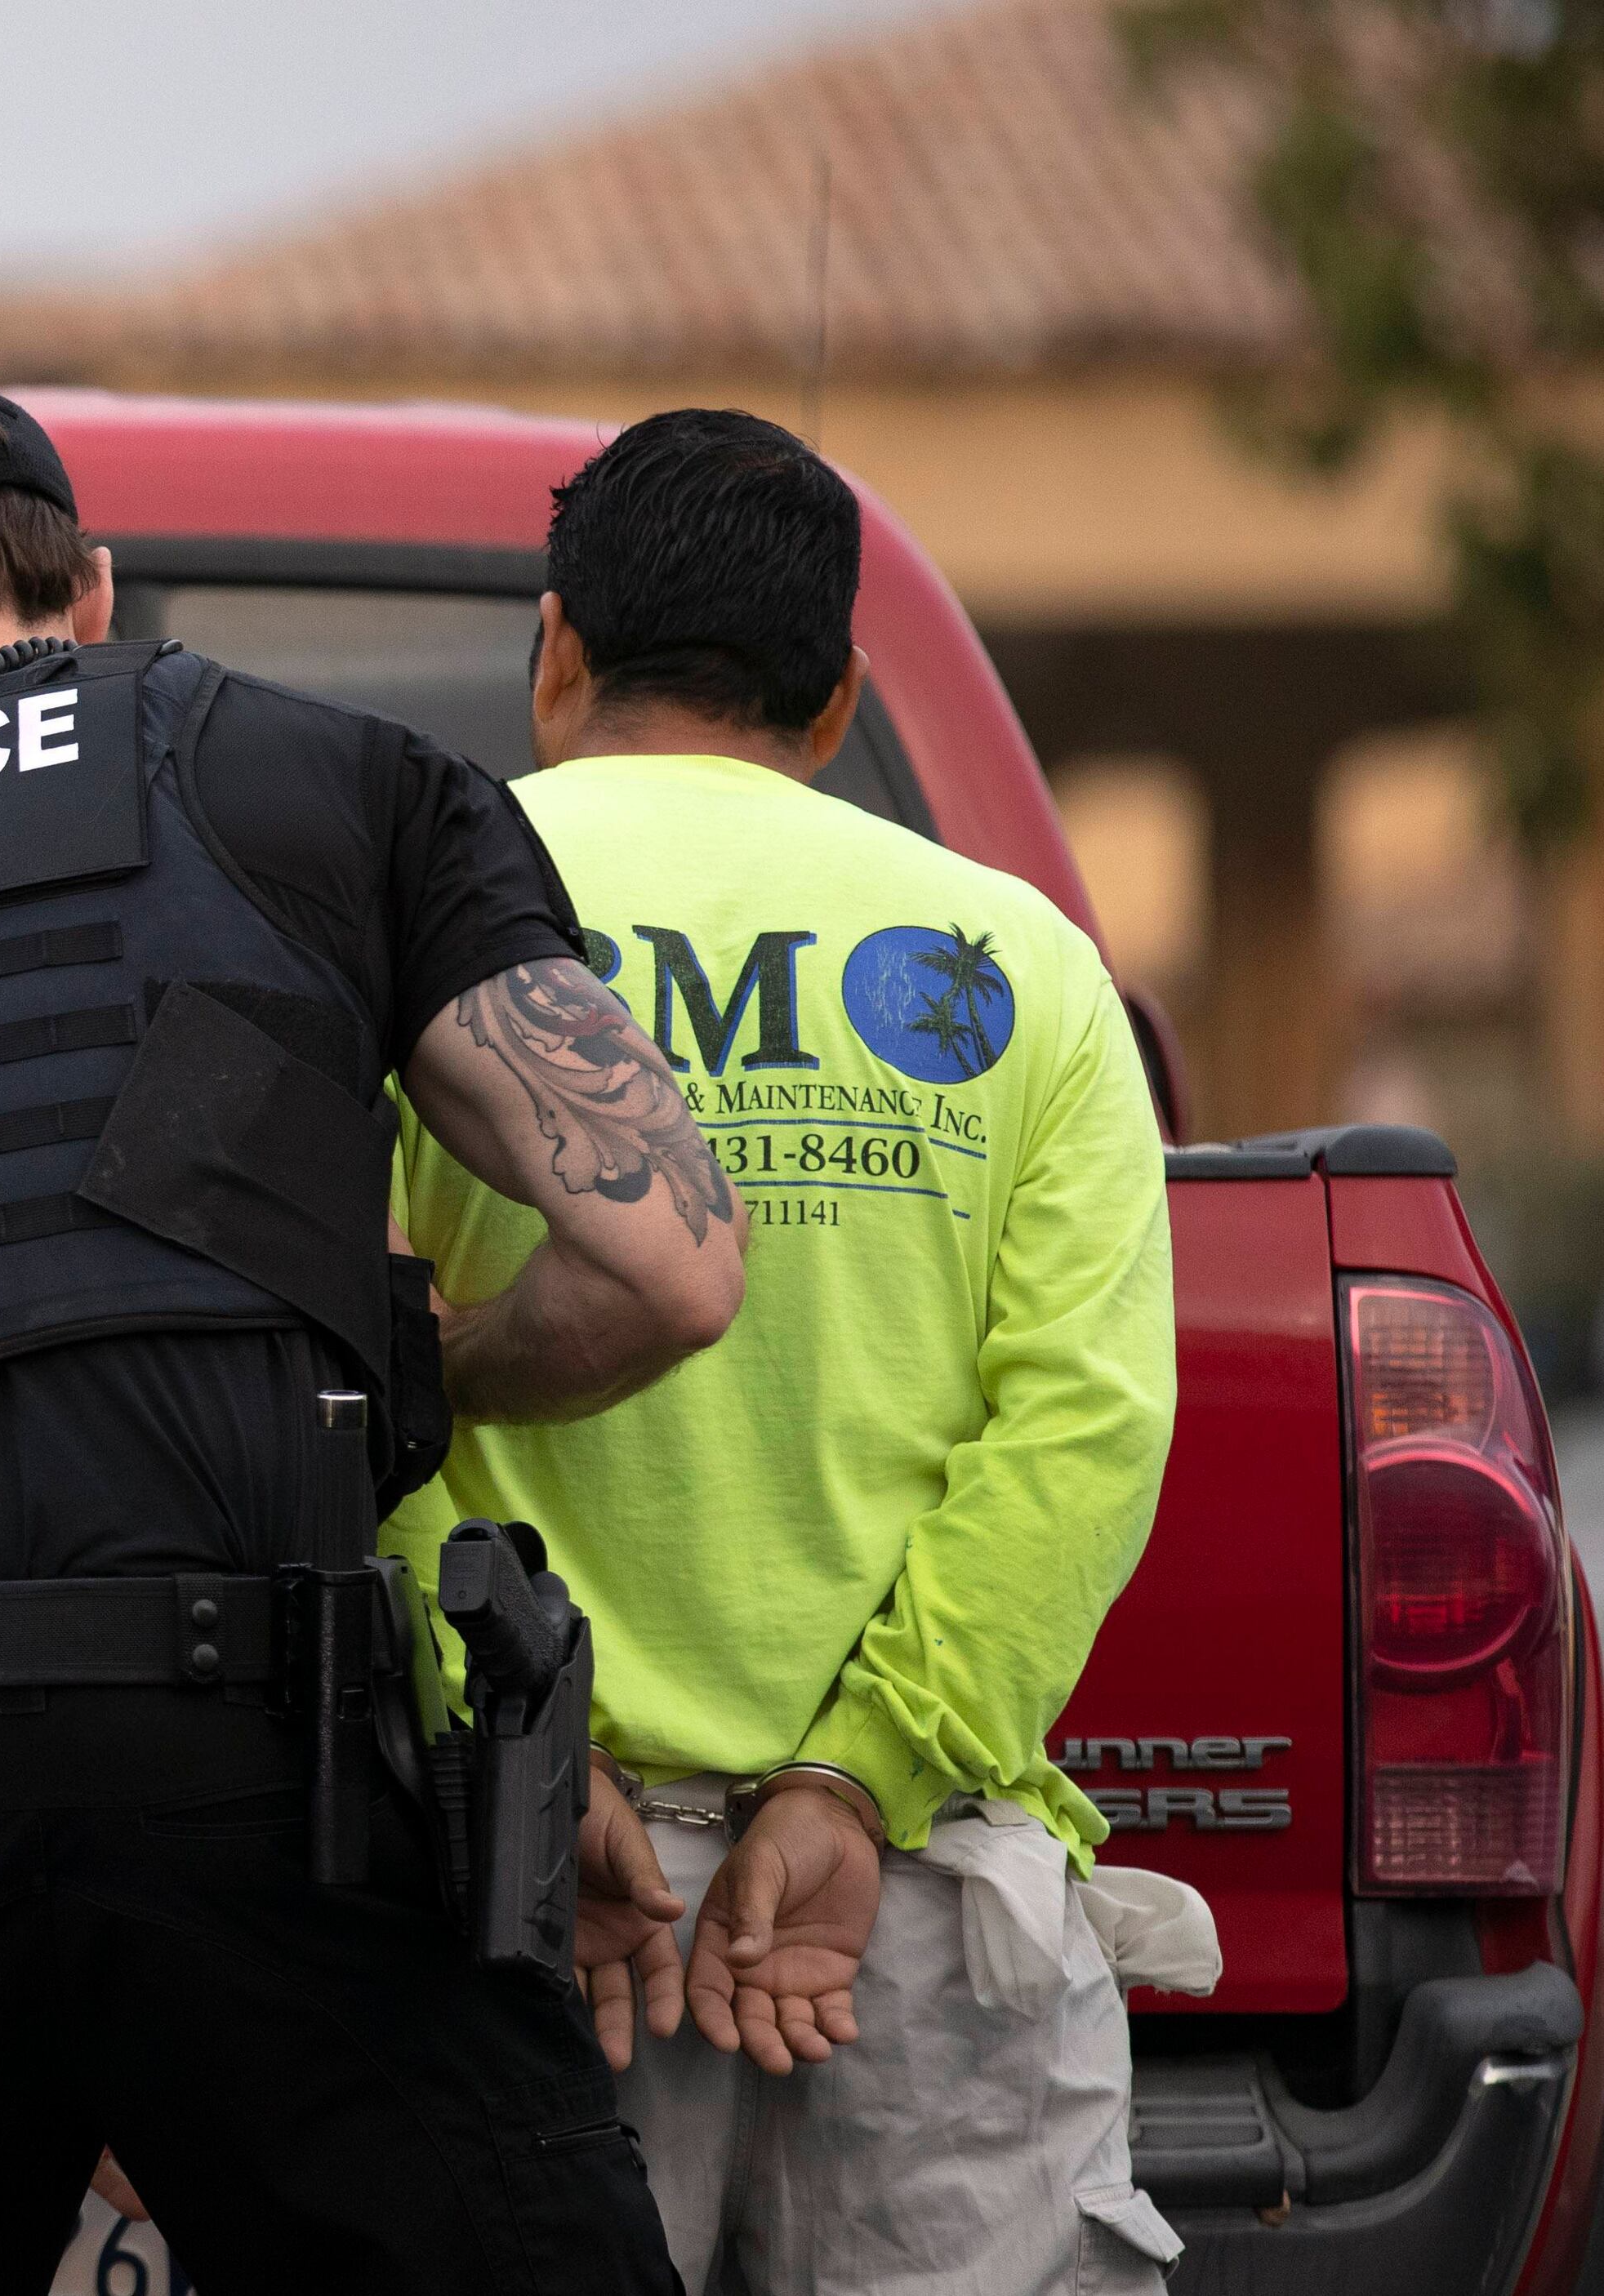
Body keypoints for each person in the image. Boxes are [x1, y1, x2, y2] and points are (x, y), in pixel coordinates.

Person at [0, 374, 743, 2295]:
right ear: (88, 590)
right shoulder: (319, 773)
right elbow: (672, 1263)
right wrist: (415, 1377)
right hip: (265, 1775)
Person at [387, 407, 1191, 2294]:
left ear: (556, 652)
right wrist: (861, 1769)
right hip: (912, 1907)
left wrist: (519, 1741)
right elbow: (1086, 1426)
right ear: (835, 701)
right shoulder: (1021, 962)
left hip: (525, 1888)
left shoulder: (400, 919)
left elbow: (327, 1378)